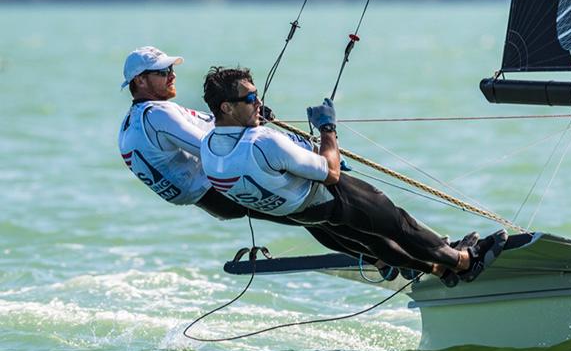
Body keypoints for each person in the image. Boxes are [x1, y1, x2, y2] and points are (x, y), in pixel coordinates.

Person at [200, 66, 508, 283]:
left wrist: (254, 120)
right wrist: (327, 129)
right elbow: (331, 172)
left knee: (373, 244)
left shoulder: (209, 148)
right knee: (399, 224)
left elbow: (251, 161)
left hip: (304, 214)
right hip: (330, 198)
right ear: (227, 107)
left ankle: (437, 270)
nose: (260, 103)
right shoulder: (263, 142)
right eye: (251, 99)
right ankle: (465, 262)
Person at [116, 46, 395, 276]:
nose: (172, 75)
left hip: (212, 199)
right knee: (321, 212)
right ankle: (388, 257)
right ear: (139, 81)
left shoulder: (131, 123)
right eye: (163, 72)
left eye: (172, 69)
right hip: (223, 188)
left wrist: (246, 117)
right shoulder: (158, 114)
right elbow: (211, 147)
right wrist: (264, 136)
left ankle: (378, 257)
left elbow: (210, 129)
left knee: (313, 218)